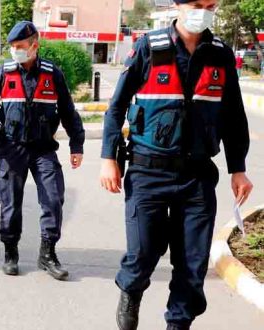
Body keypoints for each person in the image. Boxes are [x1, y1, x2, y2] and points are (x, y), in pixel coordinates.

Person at [99, 0, 254, 329]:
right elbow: (116, 108)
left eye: (210, 4)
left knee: (192, 264)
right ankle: (131, 289)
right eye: (197, 4)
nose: (204, 11)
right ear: (178, 6)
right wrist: (108, 158)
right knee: (142, 253)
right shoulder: (148, 47)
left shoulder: (220, 54)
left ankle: (178, 323)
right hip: (147, 171)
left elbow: (234, 117)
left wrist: (237, 167)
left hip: (197, 176)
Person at [0, 21, 85, 279]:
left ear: (35, 46)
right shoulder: (3, 72)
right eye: (13, 47)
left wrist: (76, 145)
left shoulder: (52, 73)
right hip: (11, 148)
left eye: (21, 46)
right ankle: (10, 252)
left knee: (53, 197)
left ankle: (47, 254)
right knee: (10, 203)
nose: (16, 51)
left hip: (43, 149)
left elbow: (68, 112)